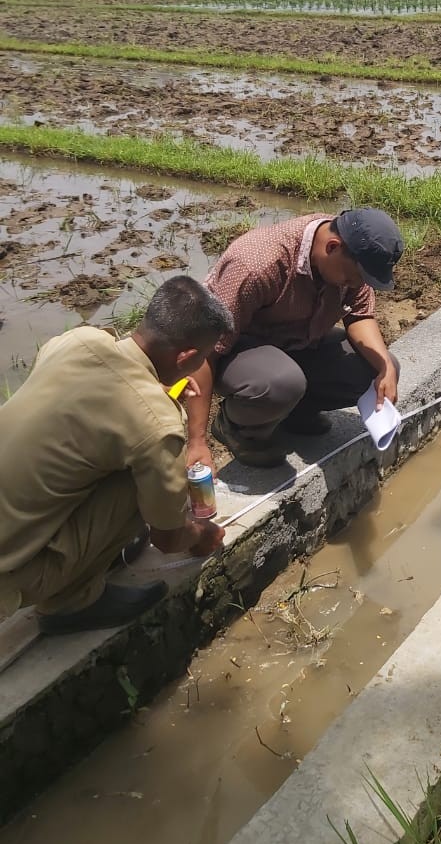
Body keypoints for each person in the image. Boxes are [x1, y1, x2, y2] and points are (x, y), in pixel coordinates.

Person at [0, 277, 233, 635]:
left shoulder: (79, 341)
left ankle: (95, 555)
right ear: (186, 357)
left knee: (114, 455)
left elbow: (101, 399)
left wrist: (156, 388)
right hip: (13, 577)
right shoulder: (155, 422)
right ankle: (71, 601)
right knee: (142, 483)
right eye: (201, 358)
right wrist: (200, 533)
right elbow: (168, 540)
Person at [186, 209, 403, 470]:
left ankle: (293, 413)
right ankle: (235, 427)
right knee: (281, 382)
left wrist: (386, 369)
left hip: (296, 341)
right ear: (332, 247)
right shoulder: (257, 263)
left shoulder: (350, 256)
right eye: (353, 277)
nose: (356, 284)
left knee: (378, 367)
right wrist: (196, 441)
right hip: (235, 349)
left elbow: (359, 315)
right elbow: (207, 351)